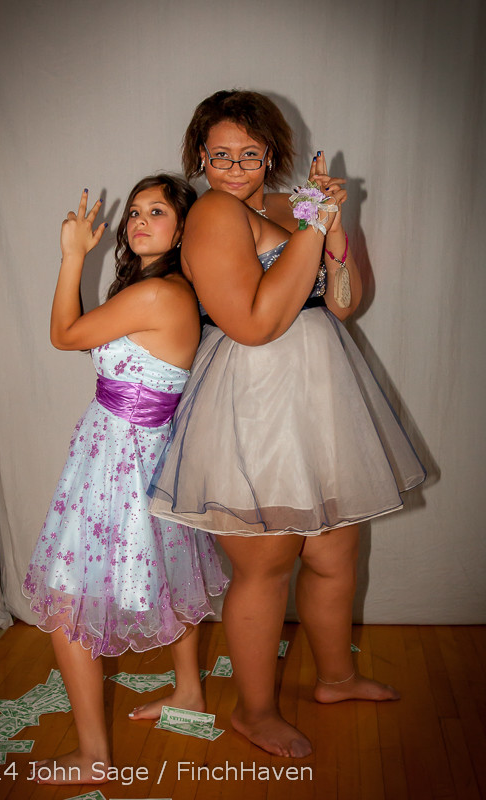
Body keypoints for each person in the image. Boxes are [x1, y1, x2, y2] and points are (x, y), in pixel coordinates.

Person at [149, 90, 426, 758]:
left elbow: (343, 304)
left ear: (271, 154)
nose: (234, 168)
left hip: (321, 393)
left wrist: (333, 228)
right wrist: (311, 228)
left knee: (333, 553)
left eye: (249, 154)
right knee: (268, 564)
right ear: (200, 157)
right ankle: (254, 711)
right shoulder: (213, 213)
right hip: (255, 402)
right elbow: (252, 324)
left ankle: (337, 678)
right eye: (220, 155)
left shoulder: (287, 205)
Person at [22, 174, 227, 784]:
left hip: (119, 458)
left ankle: (93, 757)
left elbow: (64, 335)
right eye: (135, 211)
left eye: (156, 211)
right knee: (172, 573)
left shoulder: (158, 294)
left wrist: (71, 256)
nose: (139, 220)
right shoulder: (170, 290)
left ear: (183, 229)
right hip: (141, 452)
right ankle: (189, 693)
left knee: (69, 600)